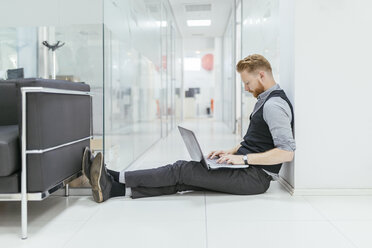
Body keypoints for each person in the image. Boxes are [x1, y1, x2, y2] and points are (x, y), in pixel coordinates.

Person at [82, 54, 296, 203]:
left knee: (182, 169)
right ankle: (113, 189)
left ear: (261, 75)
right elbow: (258, 139)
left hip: (255, 178)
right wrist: (232, 152)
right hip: (246, 169)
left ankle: (115, 176)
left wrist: (244, 159)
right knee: (184, 179)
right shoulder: (264, 100)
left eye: (247, 82)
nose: (246, 88)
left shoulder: (274, 105)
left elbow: (286, 153)